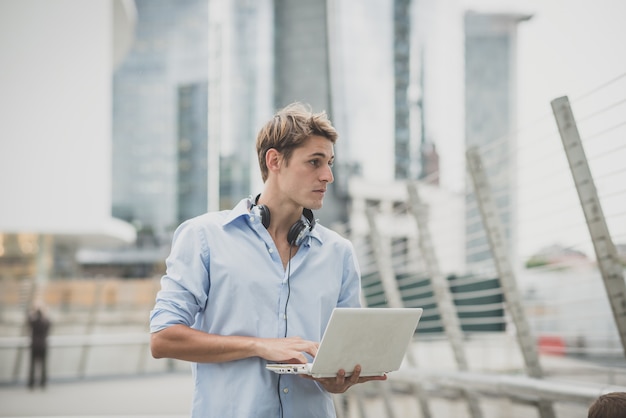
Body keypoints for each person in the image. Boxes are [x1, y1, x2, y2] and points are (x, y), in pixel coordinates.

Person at [149, 102, 386, 417]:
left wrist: (337, 379)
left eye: (329, 162)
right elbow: (163, 338)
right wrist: (259, 345)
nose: (327, 175)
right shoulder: (203, 237)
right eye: (314, 162)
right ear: (275, 160)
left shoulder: (339, 252)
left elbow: (337, 357)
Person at [27, 307, 51, 390]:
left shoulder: (34, 322)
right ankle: (43, 382)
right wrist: (45, 315)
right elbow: (49, 324)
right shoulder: (45, 322)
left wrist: (32, 313)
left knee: (32, 365)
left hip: (34, 345)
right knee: (43, 365)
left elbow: (29, 320)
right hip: (43, 345)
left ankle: (31, 383)